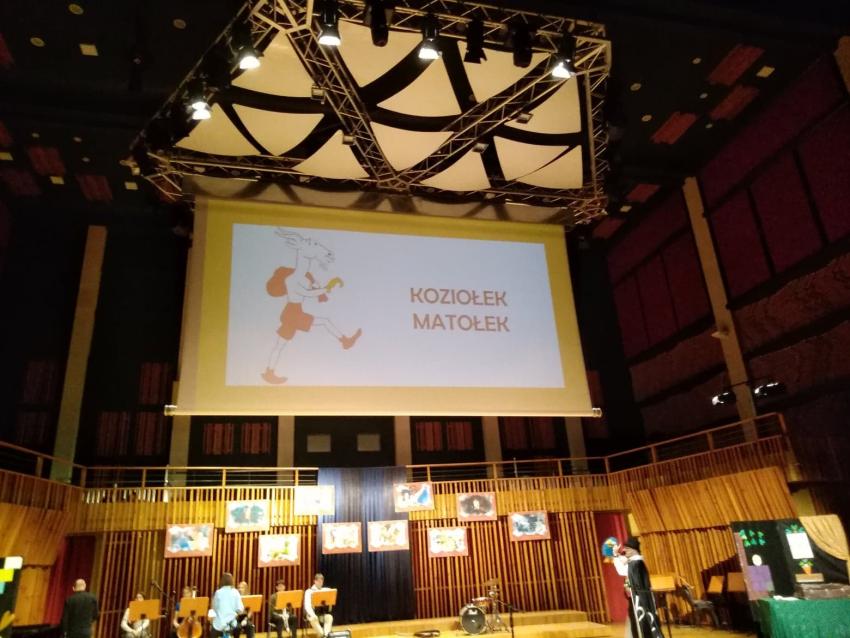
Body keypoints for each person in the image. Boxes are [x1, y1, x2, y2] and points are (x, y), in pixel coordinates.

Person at [613, 538, 662, 638]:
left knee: (643, 623)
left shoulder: (635, 563)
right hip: (641, 598)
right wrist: (617, 555)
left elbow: (622, 570)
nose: (624, 550)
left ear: (633, 550)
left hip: (640, 599)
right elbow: (624, 564)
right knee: (642, 622)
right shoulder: (636, 561)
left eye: (627, 548)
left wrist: (616, 555)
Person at [210, 573, 244, 638]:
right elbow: (240, 610)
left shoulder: (218, 592)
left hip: (219, 624)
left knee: (213, 631)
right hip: (232, 625)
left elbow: (214, 608)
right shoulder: (235, 592)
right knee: (238, 627)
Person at [303, 573, 333, 638]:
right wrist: (313, 615)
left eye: (321, 581)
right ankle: (323, 635)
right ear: (315, 581)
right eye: (318, 581)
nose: (320, 583)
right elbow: (307, 606)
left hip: (321, 615)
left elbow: (332, 591)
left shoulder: (324, 590)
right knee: (314, 619)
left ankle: (325, 634)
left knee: (329, 617)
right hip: (311, 615)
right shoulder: (309, 591)